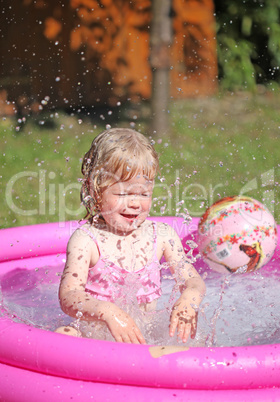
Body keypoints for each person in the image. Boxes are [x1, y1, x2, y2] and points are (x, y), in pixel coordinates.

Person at [56, 128, 206, 344]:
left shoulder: (162, 236)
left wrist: (190, 298)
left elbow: (192, 279)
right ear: (95, 190)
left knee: (192, 341)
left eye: (144, 193)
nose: (135, 203)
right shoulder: (86, 240)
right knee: (65, 336)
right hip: (95, 341)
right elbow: (69, 296)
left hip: (144, 338)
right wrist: (108, 312)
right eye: (123, 193)